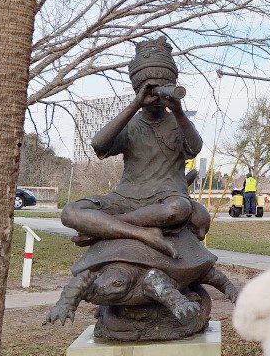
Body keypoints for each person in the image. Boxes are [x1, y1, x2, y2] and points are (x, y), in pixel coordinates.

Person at [61, 38, 205, 258]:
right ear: (138, 88)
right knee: (70, 213)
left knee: (179, 209)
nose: (156, 96)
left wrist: (178, 111)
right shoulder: (131, 124)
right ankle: (145, 235)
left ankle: (105, 228)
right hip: (126, 198)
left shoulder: (179, 122)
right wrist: (135, 104)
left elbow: (195, 148)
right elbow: (99, 144)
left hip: (164, 199)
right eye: (150, 89)